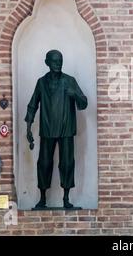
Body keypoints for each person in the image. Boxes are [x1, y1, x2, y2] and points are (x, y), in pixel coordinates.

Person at [25, 50, 88, 209]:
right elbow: (33, 105)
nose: (58, 64)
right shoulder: (41, 82)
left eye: (60, 61)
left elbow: (84, 103)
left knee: (67, 163)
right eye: (54, 61)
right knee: (44, 163)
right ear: (47, 62)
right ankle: (43, 199)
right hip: (47, 129)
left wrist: (75, 95)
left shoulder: (69, 81)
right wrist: (28, 127)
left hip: (66, 130)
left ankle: (66, 198)